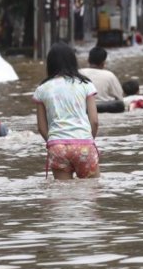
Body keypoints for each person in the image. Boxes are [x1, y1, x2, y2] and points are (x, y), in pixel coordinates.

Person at [33, 42, 100, 180]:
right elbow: (94, 121)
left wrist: (53, 142)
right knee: (92, 194)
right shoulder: (85, 84)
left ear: (50, 64)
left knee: (63, 197)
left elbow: (41, 127)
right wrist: (88, 140)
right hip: (84, 144)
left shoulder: (42, 89)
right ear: (73, 61)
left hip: (57, 146)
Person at [79, 46, 124, 113]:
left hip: (84, 109)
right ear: (103, 63)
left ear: (88, 60)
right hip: (106, 109)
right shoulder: (109, 75)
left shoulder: (79, 73)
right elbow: (120, 98)